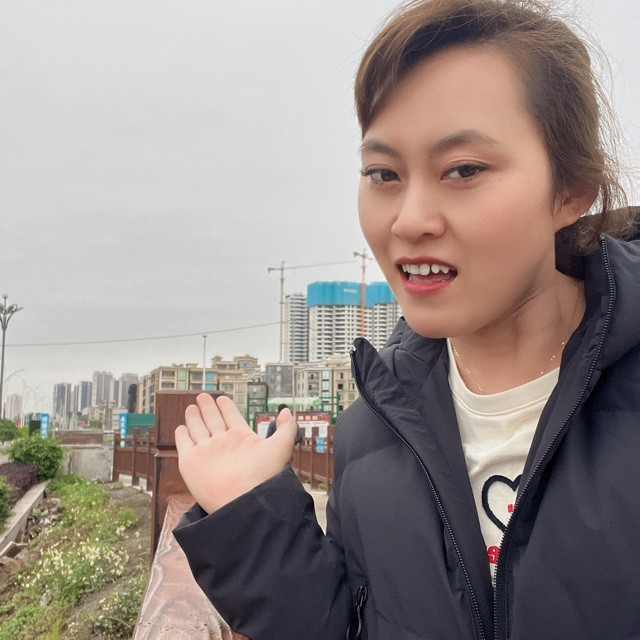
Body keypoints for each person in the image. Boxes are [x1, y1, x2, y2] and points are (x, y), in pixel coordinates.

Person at [173, 1, 640, 638]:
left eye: (464, 170)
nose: (409, 220)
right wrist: (251, 521)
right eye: (383, 173)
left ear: (571, 191)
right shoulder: (373, 428)